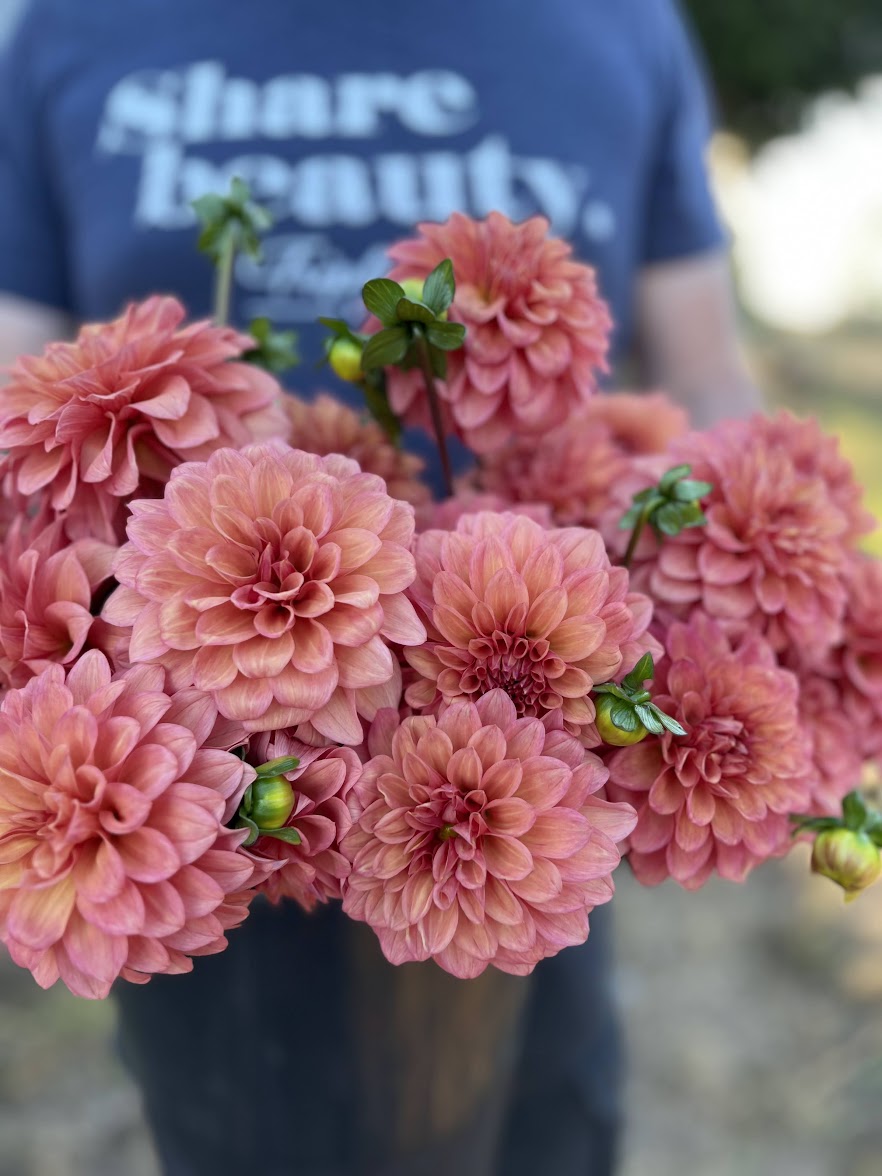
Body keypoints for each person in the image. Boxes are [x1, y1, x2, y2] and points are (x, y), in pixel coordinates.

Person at [0, 1, 760, 1173]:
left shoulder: (624, 25)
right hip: (197, 792)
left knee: (540, 1127)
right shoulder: (71, 30)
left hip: (527, 787)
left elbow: (706, 372)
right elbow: (19, 398)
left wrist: (753, 612)